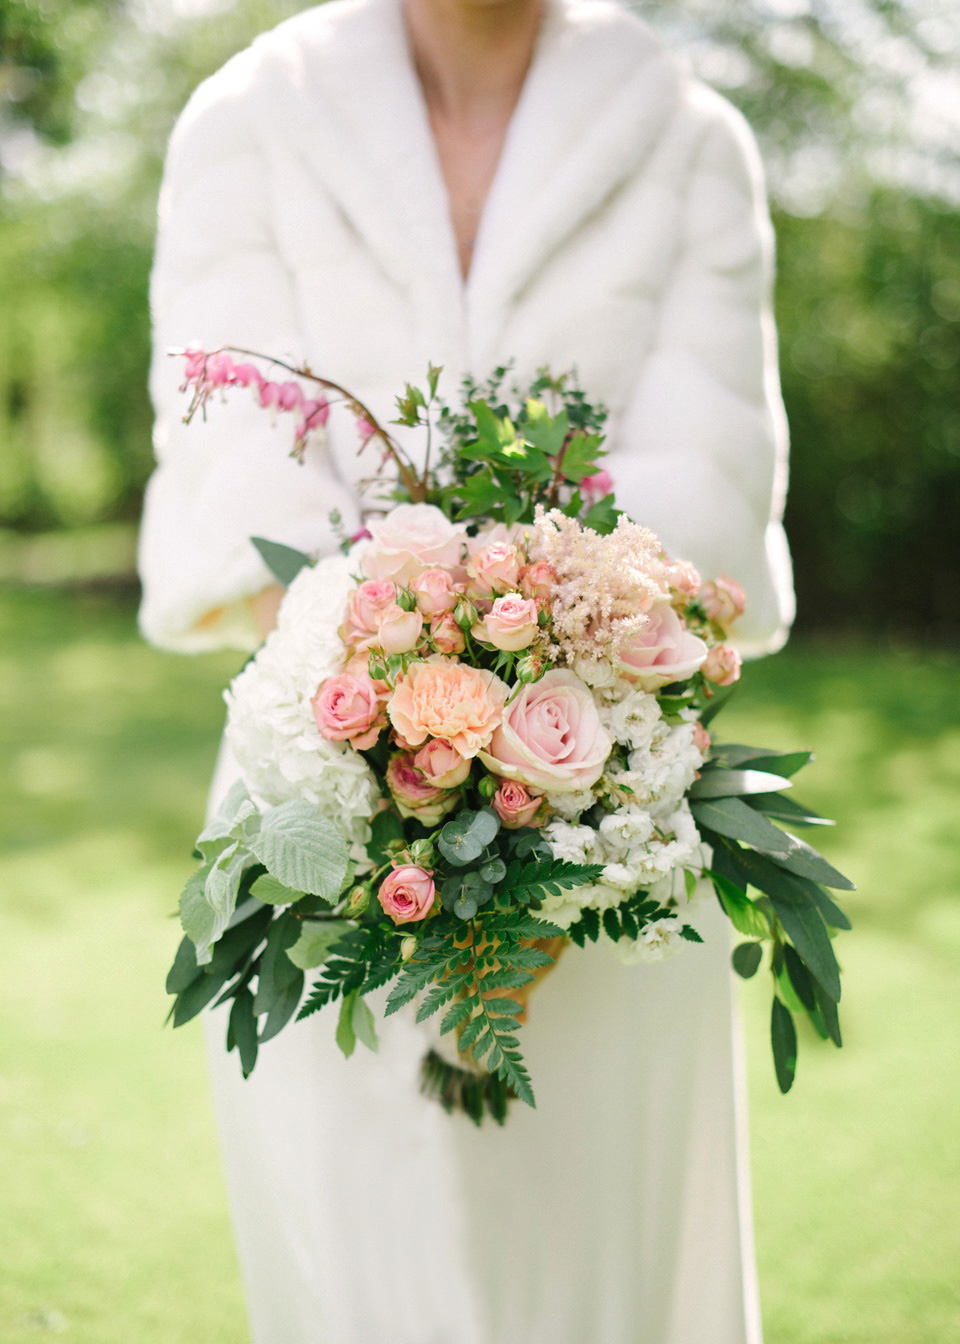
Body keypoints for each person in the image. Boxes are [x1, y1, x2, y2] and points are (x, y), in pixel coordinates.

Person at [138, 0, 795, 1341]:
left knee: (601, 1287)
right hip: (324, 837)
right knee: (370, 1284)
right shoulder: (248, 122)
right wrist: (416, 807)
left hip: (620, 845)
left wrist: (545, 840)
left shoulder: (687, 136)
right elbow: (245, 509)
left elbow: (700, 523)